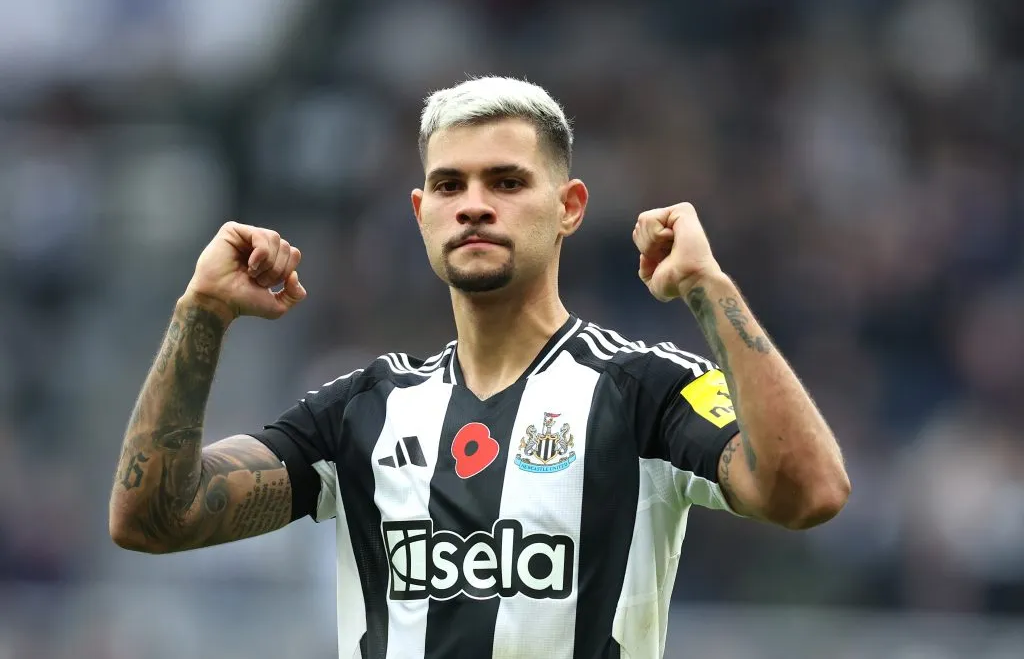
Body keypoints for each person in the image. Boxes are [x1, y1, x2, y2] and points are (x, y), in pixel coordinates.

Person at [108, 76, 851, 659]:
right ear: (420, 211)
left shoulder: (647, 390)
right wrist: (201, 311)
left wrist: (709, 290)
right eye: (448, 185)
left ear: (569, 207)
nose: (473, 206)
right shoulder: (361, 411)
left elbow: (808, 492)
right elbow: (154, 518)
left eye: (506, 182)